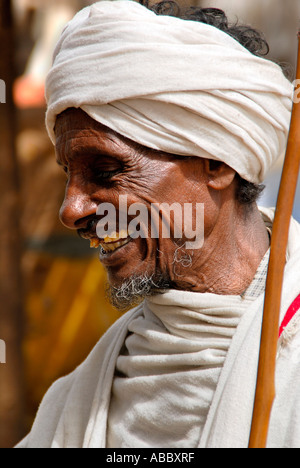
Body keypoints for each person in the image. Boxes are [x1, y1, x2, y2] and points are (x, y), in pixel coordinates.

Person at [17, 0, 300, 448]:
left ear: (216, 164)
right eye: (67, 175)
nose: (70, 210)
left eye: (107, 171)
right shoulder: (76, 399)